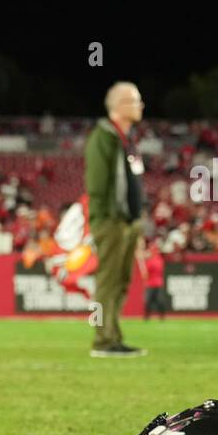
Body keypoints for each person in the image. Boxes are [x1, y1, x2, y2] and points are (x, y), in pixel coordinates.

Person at [85, 82, 147, 357]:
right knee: (108, 281)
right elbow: (97, 185)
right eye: (135, 101)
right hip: (111, 221)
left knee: (121, 280)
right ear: (120, 106)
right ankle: (102, 340)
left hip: (126, 220)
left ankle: (113, 335)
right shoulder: (104, 137)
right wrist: (107, 219)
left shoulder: (125, 138)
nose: (140, 105)